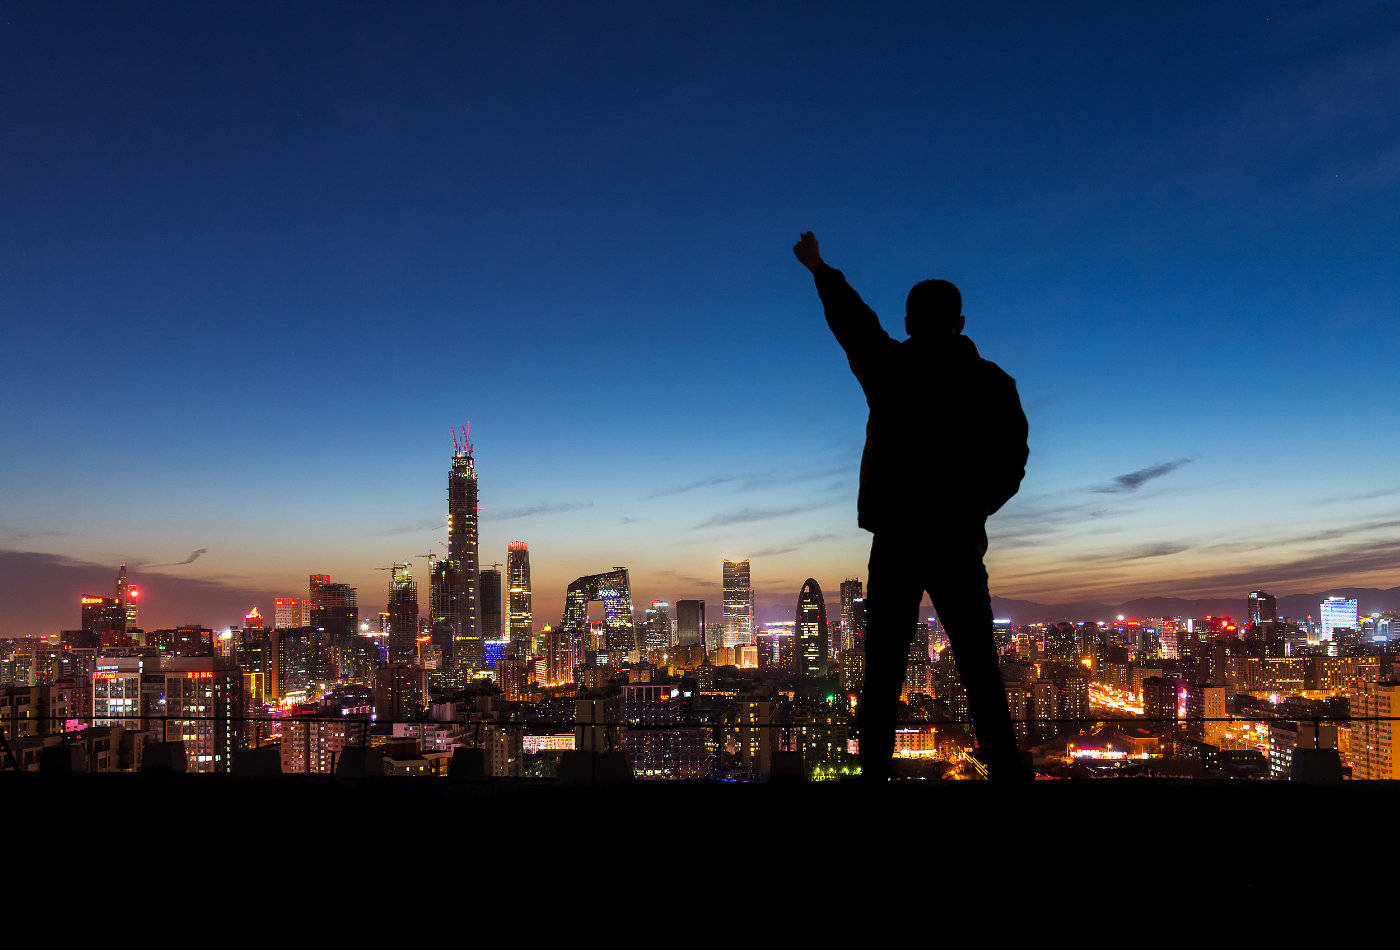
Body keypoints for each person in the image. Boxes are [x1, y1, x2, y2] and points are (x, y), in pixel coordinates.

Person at [792, 231, 1031, 783]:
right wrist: (974, 508)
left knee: (883, 665)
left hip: (897, 536)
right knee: (978, 662)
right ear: (961, 322)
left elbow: (852, 322)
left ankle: (874, 771)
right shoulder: (993, 382)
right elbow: (1013, 461)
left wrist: (819, 268)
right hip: (956, 538)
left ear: (906, 322)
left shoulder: (890, 369)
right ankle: (1006, 772)